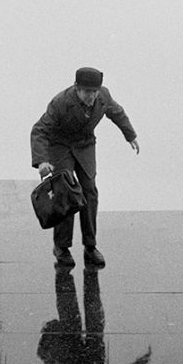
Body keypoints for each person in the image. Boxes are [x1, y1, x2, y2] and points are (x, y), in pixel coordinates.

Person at [31, 66, 139, 268]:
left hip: (85, 145)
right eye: (87, 92)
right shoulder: (60, 102)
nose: (92, 96)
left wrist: (130, 135)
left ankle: (90, 246)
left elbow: (117, 112)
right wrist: (42, 160)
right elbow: (39, 130)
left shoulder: (103, 96)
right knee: (66, 193)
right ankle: (61, 247)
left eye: (94, 91)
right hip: (60, 146)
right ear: (77, 88)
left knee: (90, 191)